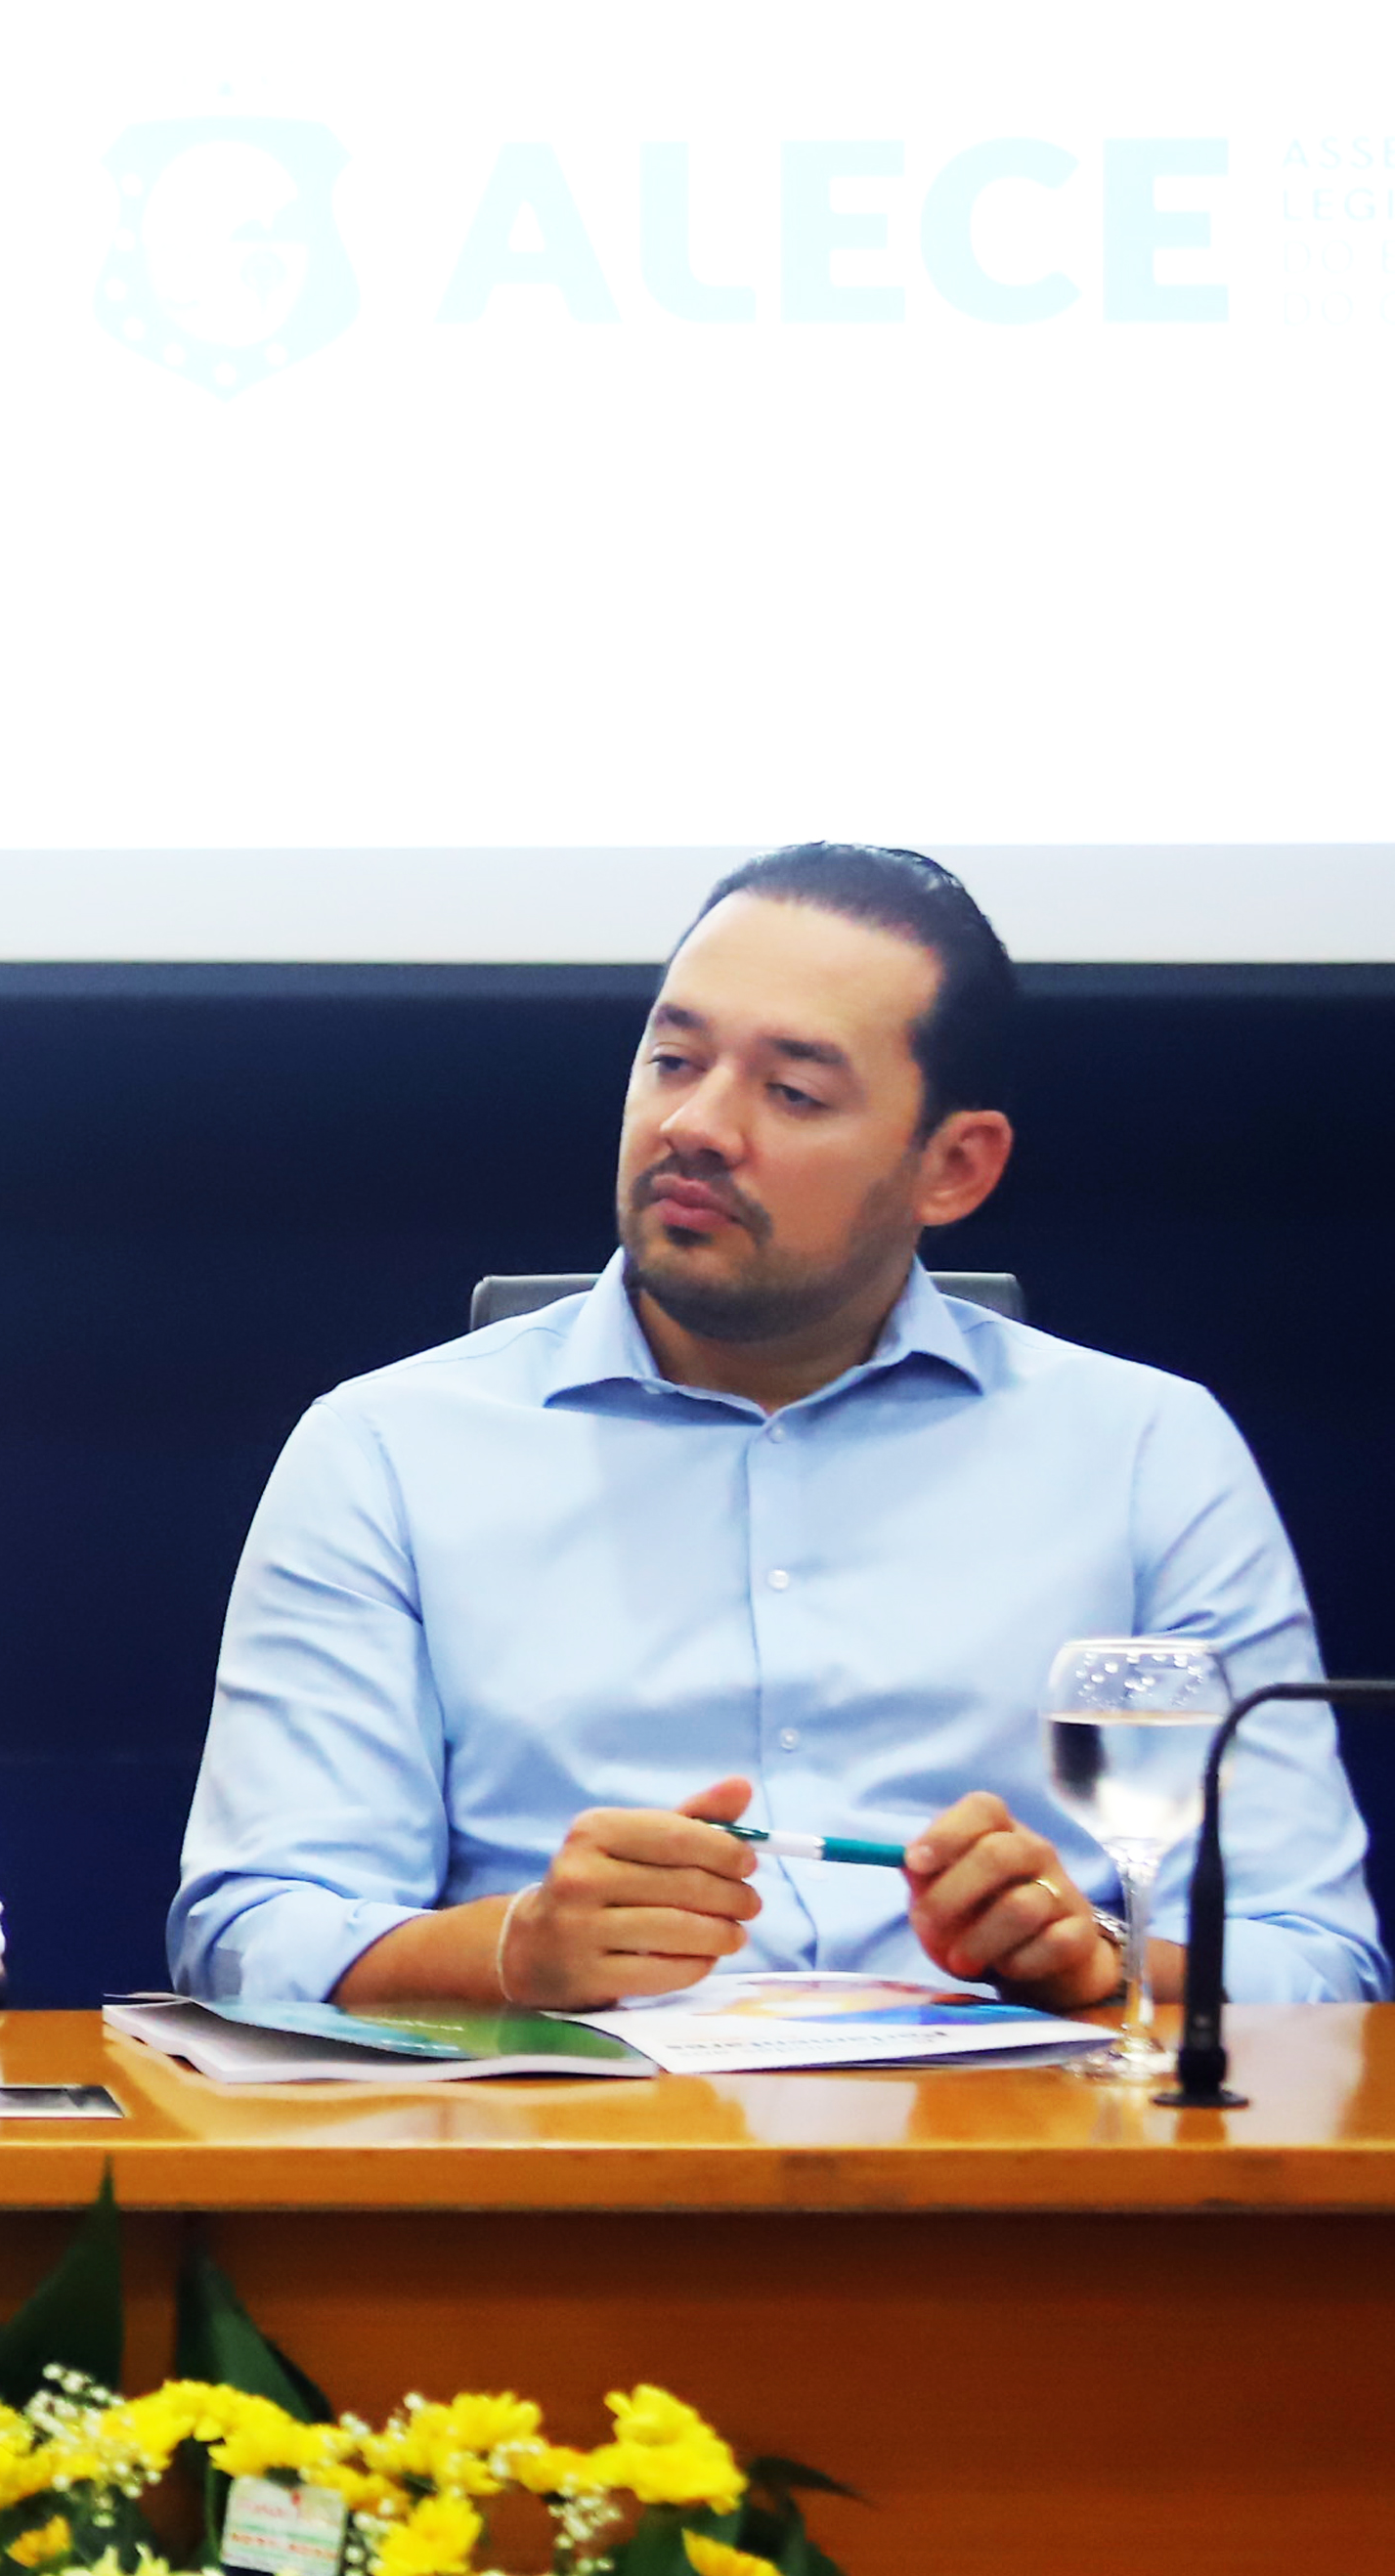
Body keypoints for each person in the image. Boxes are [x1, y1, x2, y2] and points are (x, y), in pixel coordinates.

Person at [174, 842, 1381, 2011]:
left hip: (1015, 2173)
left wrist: (1098, 1956)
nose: (698, 1125)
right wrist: (515, 1952)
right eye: (672, 1060)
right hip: (566, 2164)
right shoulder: (390, 1452)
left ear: (953, 1168)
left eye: (792, 1091)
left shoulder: (1145, 1455)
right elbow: (250, 1930)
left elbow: (1315, 1957)